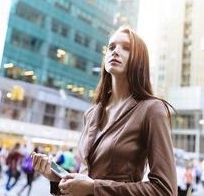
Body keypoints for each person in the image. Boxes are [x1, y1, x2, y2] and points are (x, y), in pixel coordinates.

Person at [31, 26, 178, 195]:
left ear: (140, 61)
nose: (115, 52)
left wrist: (95, 187)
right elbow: (85, 180)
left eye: (126, 48)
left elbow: (165, 190)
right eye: (111, 47)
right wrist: (57, 178)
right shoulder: (92, 113)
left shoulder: (151, 110)